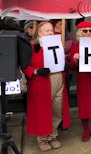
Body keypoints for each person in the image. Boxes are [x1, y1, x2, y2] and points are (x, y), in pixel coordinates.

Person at [22, 21, 70, 152]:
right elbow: (25, 66)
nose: (51, 32)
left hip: (58, 79)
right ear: (40, 32)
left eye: (51, 30)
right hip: (42, 82)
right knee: (43, 111)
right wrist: (36, 71)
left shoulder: (56, 43)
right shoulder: (32, 46)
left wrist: (65, 63)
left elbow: (60, 58)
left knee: (57, 109)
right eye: (47, 30)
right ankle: (42, 138)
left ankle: (52, 136)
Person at [70, 21, 91, 142]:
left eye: (90, 30)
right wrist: (74, 59)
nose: (88, 33)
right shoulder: (75, 46)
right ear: (80, 32)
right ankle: (85, 129)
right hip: (83, 79)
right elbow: (72, 67)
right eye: (85, 30)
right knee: (84, 104)